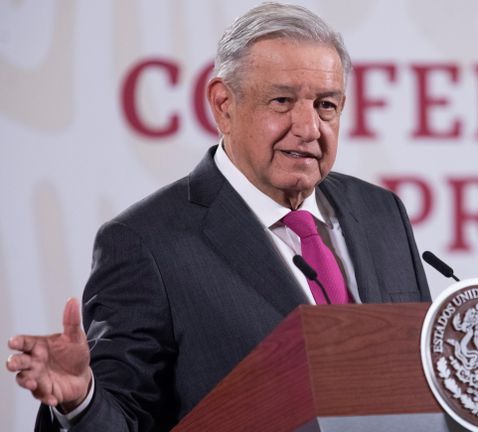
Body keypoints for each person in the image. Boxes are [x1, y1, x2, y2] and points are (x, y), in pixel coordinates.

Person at [6, 3, 431, 431]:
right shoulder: (145, 244)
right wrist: (82, 399)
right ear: (223, 105)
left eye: (326, 105)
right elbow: (125, 418)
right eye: (282, 101)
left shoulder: (381, 212)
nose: (308, 128)